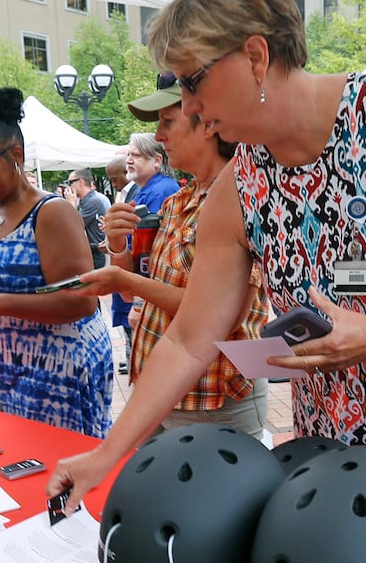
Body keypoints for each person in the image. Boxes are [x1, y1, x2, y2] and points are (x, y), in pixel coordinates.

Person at [48, 0, 366, 510]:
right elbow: (187, 339)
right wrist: (106, 455)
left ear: (255, 55)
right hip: (333, 450)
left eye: (194, 80)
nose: (189, 106)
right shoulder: (240, 185)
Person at [72, 74, 270, 437]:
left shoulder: (243, 199)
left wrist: (125, 280)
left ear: (208, 124)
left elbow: (224, 315)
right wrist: (117, 245)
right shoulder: (179, 200)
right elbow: (134, 294)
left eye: (167, 122)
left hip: (213, 402)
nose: (159, 137)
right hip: (164, 391)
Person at [0, 87, 113, 436]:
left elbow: (82, 300)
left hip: (61, 369)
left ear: (16, 154)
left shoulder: (50, 212)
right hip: (3, 368)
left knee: (58, 474)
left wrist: (3, 305)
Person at [112, 135, 180, 372]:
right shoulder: (146, 189)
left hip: (150, 300)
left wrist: (140, 304)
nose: (129, 160)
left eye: (136, 155)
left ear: (157, 160)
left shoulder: (161, 190)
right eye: (128, 155)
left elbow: (151, 254)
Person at [66, 167, 111, 267]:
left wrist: (71, 205)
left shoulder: (93, 201)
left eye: (70, 183)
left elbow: (74, 226)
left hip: (97, 253)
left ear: (80, 182)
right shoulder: (86, 200)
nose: (68, 187)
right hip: (93, 251)